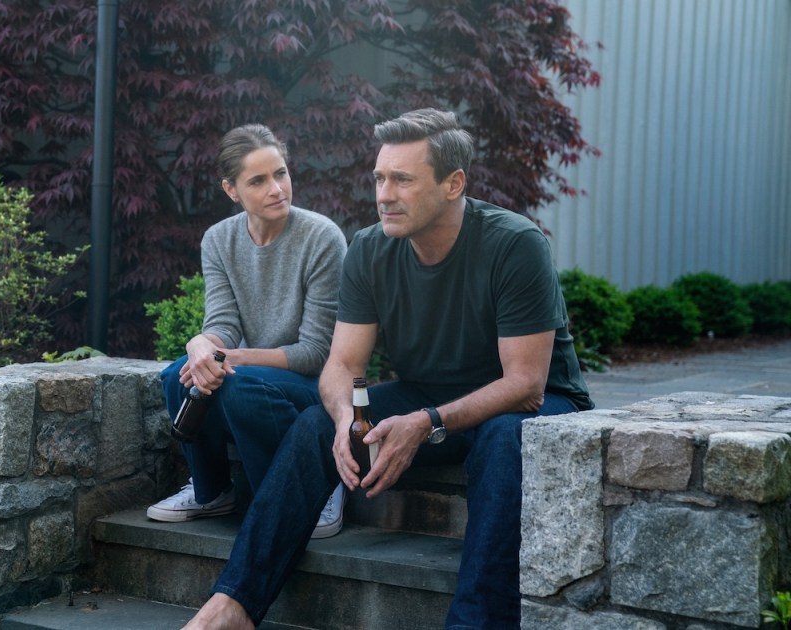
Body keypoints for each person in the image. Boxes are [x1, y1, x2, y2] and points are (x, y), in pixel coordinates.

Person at [182, 108, 594, 630]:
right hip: (427, 396)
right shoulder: (370, 248)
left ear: (453, 184)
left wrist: (424, 423)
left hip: (532, 406)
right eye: (379, 178)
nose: (384, 194)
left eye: (403, 180)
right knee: (315, 425)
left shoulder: (513, 244)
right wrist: (343, 421)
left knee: (502, 440)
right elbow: (341, 365)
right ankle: (233, 605)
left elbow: (525, 385)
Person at [146, 124, 349, 538]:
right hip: (256, 376)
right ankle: (211, 491)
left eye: (281, 173)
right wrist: (200, 345)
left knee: (237, 386)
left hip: (315, 385)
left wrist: (229, 358)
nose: (276, 189)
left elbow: (316, 351)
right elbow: (223, 325)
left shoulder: (322, 237)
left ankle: (320, 481)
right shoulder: (219, 239)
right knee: (178, 375)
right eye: (258, 181)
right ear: (231, 190)